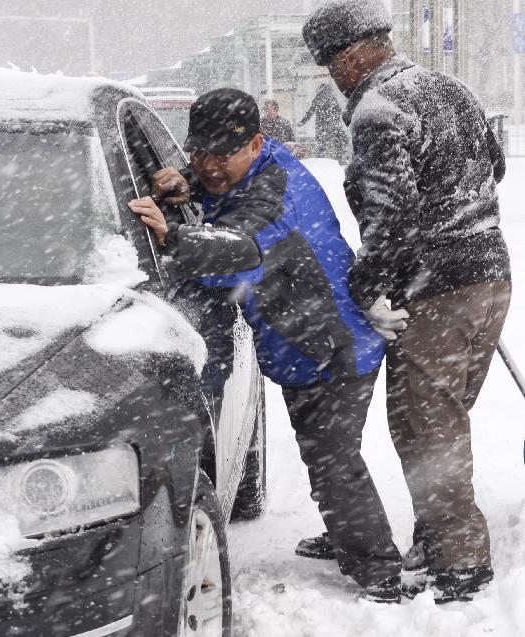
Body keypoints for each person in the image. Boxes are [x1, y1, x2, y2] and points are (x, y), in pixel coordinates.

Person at [128, 87, 405, 602]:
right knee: (325, 457)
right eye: (198, 153)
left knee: (333, 461)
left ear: (256, 143)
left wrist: (173, 236)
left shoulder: (277, 193)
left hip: (332, 348)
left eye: (221, 154)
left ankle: (380, 571)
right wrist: (185, 182)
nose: (209, 165)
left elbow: (240, 246)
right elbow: (224, 193)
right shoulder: (259, 165)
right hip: (307, 343)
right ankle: (350, 534)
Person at [302, 0, 512, 603]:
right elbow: (491, 168)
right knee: (444, 415)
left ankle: (460, 558)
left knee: (426, 427)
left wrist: (367, 288)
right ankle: (437, 533)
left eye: (331, 62)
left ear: (354, 51)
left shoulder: (378, 110)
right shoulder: (447, 87)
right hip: (489, 276)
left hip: (437, 289)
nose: (332, 74)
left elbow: (389, 219)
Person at [299, 82, 350, 163]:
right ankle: (340, 160)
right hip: (333, 125)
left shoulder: (318, 98)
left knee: (322, 145)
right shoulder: (333, 97)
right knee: (338, 143)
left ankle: (321, 160)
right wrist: (335, 121)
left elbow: (311, 111)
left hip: (321, 126)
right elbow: (338, 111)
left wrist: (303, 121)